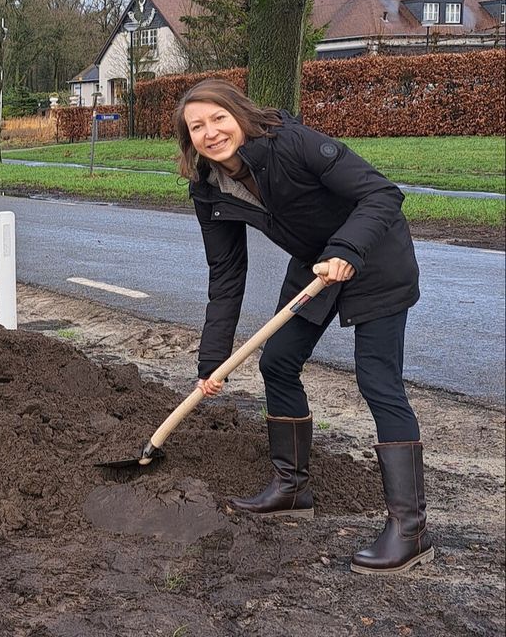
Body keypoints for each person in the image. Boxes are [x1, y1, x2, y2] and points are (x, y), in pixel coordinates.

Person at [174, 79, 432, 575]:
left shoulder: (292, 144)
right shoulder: (208, 187)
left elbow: (382, 193)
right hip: (316, 263)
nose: (211, 132)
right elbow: (226, 275)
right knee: (278, 361)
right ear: (189, 139)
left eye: (218, 118)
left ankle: (411, 529)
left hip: (375, 255)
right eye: (197, 126)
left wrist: (345, 250)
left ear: (239, 115)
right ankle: (292, 488)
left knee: (377, 378)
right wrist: (212, 362)